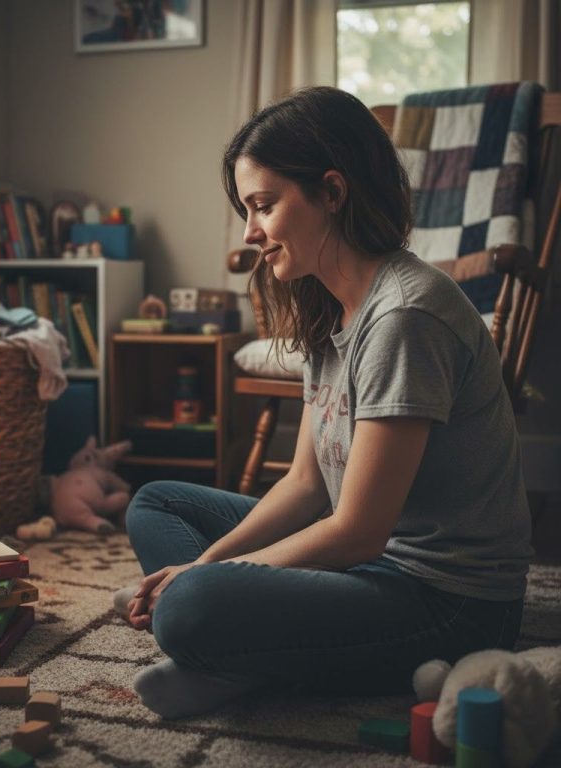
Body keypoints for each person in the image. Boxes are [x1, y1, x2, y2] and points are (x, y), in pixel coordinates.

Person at [116, 86, 534, 720]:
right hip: (366, 566)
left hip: (449, 600)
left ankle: (241, 661)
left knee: (190, 609)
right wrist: (197, 565)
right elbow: (307, 484)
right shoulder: (328, 307)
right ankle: (250, 654)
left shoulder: (405, 316)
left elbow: (357, 530)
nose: (251, 232)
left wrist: (201, 585)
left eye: (263, 206)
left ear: (331, 193)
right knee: (157, 503)